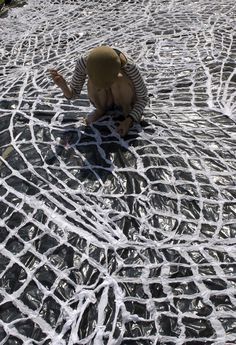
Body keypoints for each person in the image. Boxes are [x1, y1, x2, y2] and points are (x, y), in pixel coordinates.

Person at [49, 45, 148, 137]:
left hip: (125, 96)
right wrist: (64, 87)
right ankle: (101, 109)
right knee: (93, 80)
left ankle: (126, 108)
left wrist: (129, 120)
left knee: (119, 78)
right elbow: (74, 94)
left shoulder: (129, 65)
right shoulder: (84, 63)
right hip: (105, 100)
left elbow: (143, 98)